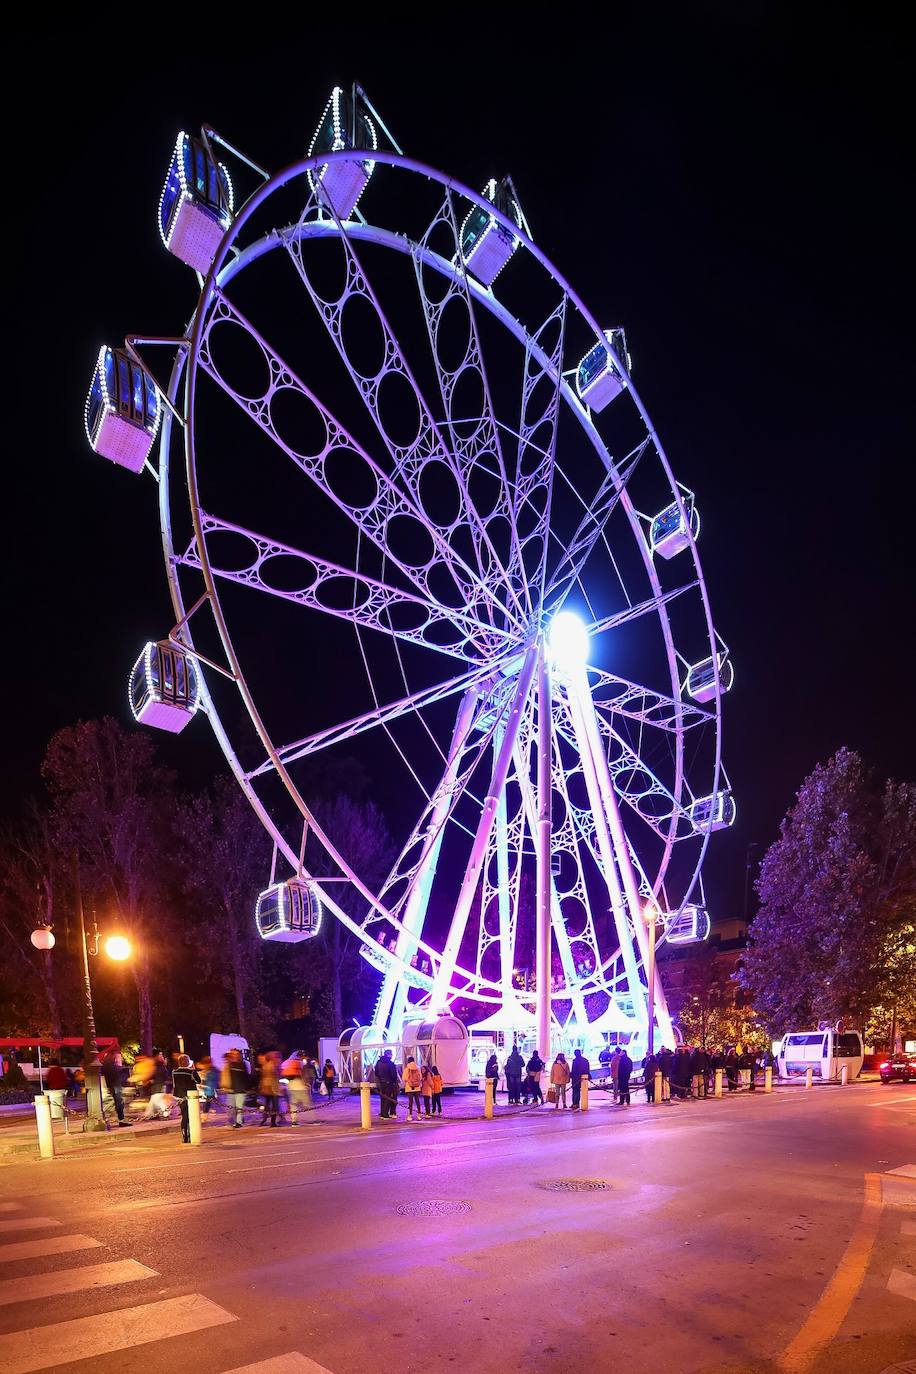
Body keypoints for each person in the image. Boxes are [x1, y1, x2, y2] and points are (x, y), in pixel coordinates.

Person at [172, 1054, 201, 1143]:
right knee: (191, 1116)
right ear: (188, 1062)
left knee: (184, 1115)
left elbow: (174, 1084)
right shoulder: (191, 1072)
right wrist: (193, 1069)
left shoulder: (174, 1072)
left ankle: (185, 1135)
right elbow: (198, 1081)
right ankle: (191, 1134)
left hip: (180, 1096)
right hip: (191, 1097)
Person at [101, 1049, 131, 1126]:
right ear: (115, 1058)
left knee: (110, 1105)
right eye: (119, 1057)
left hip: (109, 1088)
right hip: (116, 1088)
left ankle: (106, 1120)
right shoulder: (117, 1068)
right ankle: (121, 1119)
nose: (121, 1059)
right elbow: (124, 1077)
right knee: (117, 1104)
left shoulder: (105, 1067)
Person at [258, 1051, 283, 1126]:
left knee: (267, 1105)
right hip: (272, 1088)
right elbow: (275, 1077)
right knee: (274, 1106)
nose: (278, 1058)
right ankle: (273, 1122)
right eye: (276, 1057)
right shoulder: (273, 1065)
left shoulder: (265, 1065)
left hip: (267, 1087)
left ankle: (264, 1120)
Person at [374, 1049, 399, 1119]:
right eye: (391, 1054)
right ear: (388, 1055)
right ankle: (385, 1114)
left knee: (383, 1098)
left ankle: (382, 1113)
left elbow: (376, 1072)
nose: (392, 1056)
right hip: (389, 1083)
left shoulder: (378, 1062)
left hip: (381, 1083)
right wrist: (394, 1082)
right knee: (388, 1098)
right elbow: (394, 1075)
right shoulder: (390, 1063)